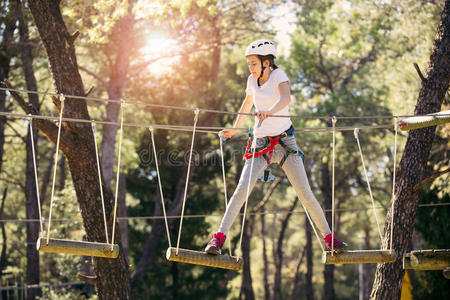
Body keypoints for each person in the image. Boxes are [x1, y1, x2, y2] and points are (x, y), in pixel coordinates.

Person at [205, 39, 348, 255]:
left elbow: (285, 98)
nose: (250, 68)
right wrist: (235, 129)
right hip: (260, 143)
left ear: (267, 62)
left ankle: (330, 239)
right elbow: (246, 104)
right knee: (241, 190)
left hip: (285, 143)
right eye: (249, 64)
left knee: (305, 193)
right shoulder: (252, 81)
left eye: (254, 63)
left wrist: (269, 112)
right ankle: (218, 239)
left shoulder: (279, 76)